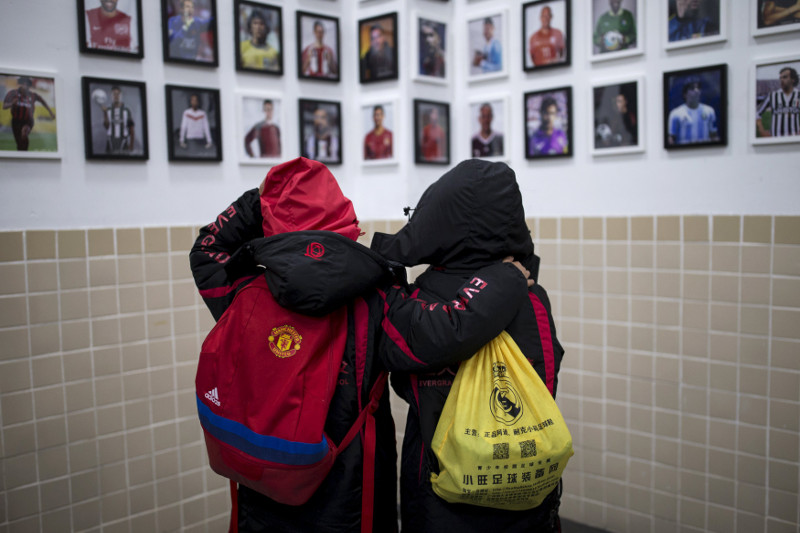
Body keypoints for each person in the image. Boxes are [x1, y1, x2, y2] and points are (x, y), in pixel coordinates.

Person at [189, 156, 536, 532]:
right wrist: (506, 277)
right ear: (344, 222)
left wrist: (262, 200)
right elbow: (448, 328)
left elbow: (206, 250)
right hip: (351, 507)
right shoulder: (375, 300)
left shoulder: (244, 295)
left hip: (261, 497)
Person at [370, 159, 565, 533]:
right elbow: (547, 376)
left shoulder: (428, 298)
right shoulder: (531, 293)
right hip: (526, 495)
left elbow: (404, 377)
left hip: (442, 502)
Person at [2, 77, 55, 152]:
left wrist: (51, 112)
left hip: (28, 121)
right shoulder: (13, 93)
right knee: (20, 143)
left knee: (24, 133)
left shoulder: (33, 95)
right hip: (16, 122)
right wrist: (12, 103)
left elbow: (43, 101)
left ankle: (24, 150)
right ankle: (23, 153)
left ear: (29, 86)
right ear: (20, 84)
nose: (25, 86)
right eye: (24, 84)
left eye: (27, 85)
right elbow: (4, 106)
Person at [667, 80, 719, 145]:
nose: (696, 91)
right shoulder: (675, 113)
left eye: (698, 88)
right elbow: (671, 138)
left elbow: (713, 135)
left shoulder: (709, 111)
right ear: (685, 94)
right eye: (692, 88)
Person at [756, 66, 800, 137]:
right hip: (775, 139)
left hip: (794, 140)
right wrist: (762, 130)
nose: (782, 80)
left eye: (785, 77)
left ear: (793, 79)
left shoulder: (798, 95)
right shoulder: (772, 96)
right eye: (781, 78)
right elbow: (757, 113)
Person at [101, 86, 135, 154]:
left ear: (121, 95)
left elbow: (131, 128)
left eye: (118, 94)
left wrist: (131, 145)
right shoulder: (108, 110)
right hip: (111, 141)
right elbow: (106, 126)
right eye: (114, 94)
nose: (116, 96)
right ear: (111, 96)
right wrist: (105, 113)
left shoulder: (126, 111)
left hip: (123, 141)